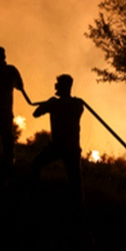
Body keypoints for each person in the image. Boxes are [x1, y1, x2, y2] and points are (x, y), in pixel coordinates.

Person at [30, 74, 88, 204]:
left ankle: (33, 195)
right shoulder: (77, 104)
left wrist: (48, 104)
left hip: (58, 147)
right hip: (71, 147)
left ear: (61, 87)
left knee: (36, 164)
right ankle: (78, 208)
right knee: (75, 181)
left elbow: (36, 113)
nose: (56, 86)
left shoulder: (55, 104)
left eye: (58, 84)